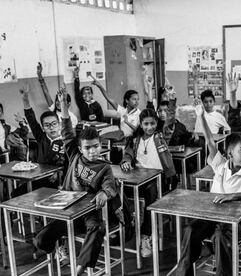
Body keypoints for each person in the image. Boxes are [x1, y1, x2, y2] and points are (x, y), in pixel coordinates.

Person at [33, 87, 120, 275]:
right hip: (68, 211)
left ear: (100, 145)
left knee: (97, 229)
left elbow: (110, 186)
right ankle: (58, 249)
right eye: (88, 148)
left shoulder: (104, 166)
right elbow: (66, 130)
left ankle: (78, 270)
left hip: (89, 214)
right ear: (80, 149)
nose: (92, 151)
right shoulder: (73, 155)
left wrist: (105, 193)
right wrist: (63, 105)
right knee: (41, 239)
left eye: (96, 147)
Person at [176, 105, 241, 276]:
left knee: (219, 236)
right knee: (190, 230)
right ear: (229, 153)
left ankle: (223, 272)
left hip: (238, 221)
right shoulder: (220, 166)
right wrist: (201, 116)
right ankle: (183, 269)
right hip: (213, 216)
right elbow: (210, 141)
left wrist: (232, 196)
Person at [120, 108, 176, 258]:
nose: (149, 127)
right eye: (146, 124)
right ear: (141, 124)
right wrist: (126, 161)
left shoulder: (160, 136)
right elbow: (128, 154)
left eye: (152, 123)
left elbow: (170, 120)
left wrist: (170, 101)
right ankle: (127, 222)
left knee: (151, 192)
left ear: (157, 123)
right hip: (139, 179)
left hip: (158, 180)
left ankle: (145, 237)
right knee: (117, 189)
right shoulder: (135, 139)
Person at [19, 85, 66, 191]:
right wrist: (25, 99)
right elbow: (31, 119)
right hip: (40, 178)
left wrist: (60, 173)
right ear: (43, 128)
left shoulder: (66, 141)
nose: (51, 127)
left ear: (59, 124)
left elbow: (71, 162)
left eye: (54, 124)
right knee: (16, 193)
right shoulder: (42, 137)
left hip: (60, 180)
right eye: (47, 125)